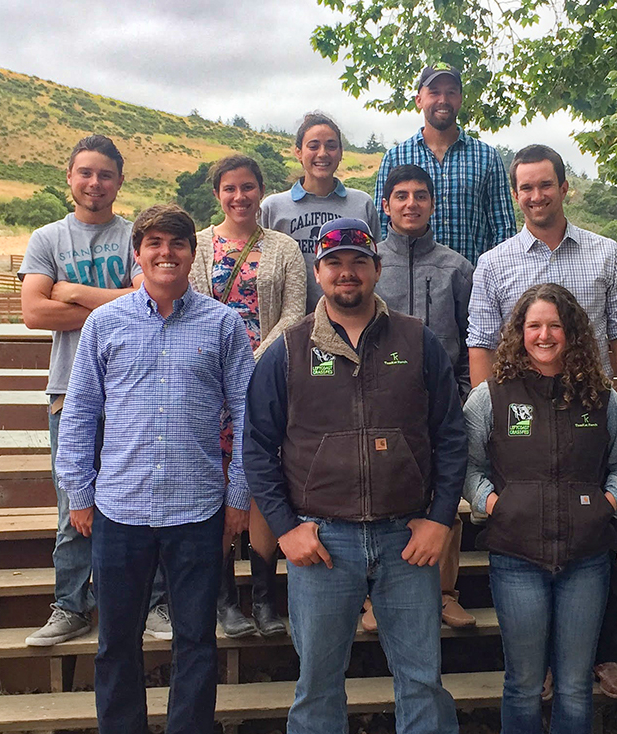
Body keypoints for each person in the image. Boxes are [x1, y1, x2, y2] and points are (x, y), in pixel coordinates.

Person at [243, 218, 465, 733]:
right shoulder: (289, 349)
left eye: (358, 262)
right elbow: (257, 446)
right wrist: (285, 528)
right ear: (317, 272)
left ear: (376, 269)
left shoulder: (418, 341)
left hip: (406, 539)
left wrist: (438, 519)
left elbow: (451, 438)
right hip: (322, 543)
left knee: (422, 679)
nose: (347, 273)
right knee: (317, 684)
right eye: (335, 263)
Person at [55, 204, 255, 733]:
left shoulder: (224, 324)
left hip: (198, 510)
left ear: (193, 254)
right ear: (138, 254)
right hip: (120, 510)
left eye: (178, 244)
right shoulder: (105, 323)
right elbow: (79, 414)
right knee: (117, 640)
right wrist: (78, 492)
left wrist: (239, 497)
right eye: (155, 244)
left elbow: (248, 415)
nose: (166, 253)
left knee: (196, 639)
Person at [467, 143, 617, 698]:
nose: (536, 195)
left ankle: (600, 656)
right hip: (521, 417)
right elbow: (480, 342)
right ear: (515, 194)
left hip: (588, 411)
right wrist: (491, 412)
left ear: (565, 187)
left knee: (595, 540)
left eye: (546, 184)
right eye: (526, 187)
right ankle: (539, 665)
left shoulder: (605, 253)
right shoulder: (494, 262)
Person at [19, 134, 169, 646]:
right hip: (69, 390)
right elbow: (34, 312)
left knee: (145, 498)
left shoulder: (138, 235)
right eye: (85, 172)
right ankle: (70, 606)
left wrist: (76, 292)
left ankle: (153, 605)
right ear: (70, 177)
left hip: (135, 390)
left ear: (120, 181)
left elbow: (150, 294)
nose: (95, 183)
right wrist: (117, 300)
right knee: (73, 504)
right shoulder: (47, 239)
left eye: (105, 174)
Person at [463, 283, 617, 733]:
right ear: (518, 333)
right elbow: (467, 464)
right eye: (533, 325)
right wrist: (493, 503)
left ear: (573, 332)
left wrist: (609, 503)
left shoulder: (603, 398)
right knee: (524, 681)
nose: (544, 335)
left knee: (575, 683)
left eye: (555, 325)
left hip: (587, 556)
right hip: (516, 555)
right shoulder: (491, 396)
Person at [189, 154, 306, 638]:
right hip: (206, 384)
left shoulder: (284, 248)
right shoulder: (196, 246)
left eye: (248, 187)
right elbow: (191, 306)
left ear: (262, 191)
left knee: (261, 480)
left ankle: (263, 598)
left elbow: (296, 313)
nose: (240, 197)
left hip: (265, 381)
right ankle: (223, 601)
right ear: (217, 193)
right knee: (216, 486)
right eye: (230, 188)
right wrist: (223, 364)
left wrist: (252, 360)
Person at [369, 163, 475, 631]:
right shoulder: (368, 262)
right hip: (377, 400)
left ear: (432, 203)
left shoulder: (456, 267)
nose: (411, 203)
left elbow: (476, 337)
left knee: (443, 492)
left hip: (441, 398)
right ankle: (375, 596)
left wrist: (467, 393)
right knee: (381, 493)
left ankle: (445, 591)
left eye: (420, 195)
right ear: (386, 205)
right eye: (401, 196)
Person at [374, 64, 516, 264]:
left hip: (473, 287)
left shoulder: (487, 158)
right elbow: (381, 227)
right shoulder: (395, 158)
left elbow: (503, 230)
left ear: (460, 99)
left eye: (451, 92)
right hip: (407, 284)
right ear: (419, 100)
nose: (443, 100)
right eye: (434, 92)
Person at [261, 112, 379, 313]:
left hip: (351, 315)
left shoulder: (362, 203)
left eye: (331, 146)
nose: (322, 153)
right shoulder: (273, 207)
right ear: (298, 152)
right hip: (287, 321)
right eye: (313, 146)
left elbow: (374, 264)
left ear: (341, 153)